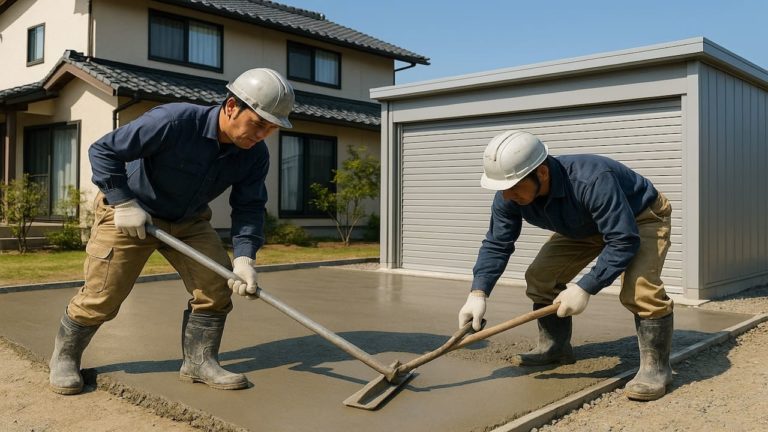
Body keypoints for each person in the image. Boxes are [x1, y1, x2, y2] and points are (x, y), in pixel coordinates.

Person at [48, 68, 295, 395]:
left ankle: (199, 362)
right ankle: (65, 356)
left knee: (217, 287)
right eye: (259, 124)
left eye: (272, 129)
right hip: (131, 213)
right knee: (102, 296)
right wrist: (122, 202)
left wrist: (245, 259)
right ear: (232, 106)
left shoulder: (254, 155)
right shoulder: (174, 122)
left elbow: (249, 206)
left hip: (188, 221)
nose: (263, 134)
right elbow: (104, 150)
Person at [458, 130, 674, 401]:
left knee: (640, 291)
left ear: (542, 173)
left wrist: (586, 287)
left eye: (514, 186)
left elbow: (623, 240)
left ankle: (656, 370)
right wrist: (478, 293)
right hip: (583, 227)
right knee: (541, 277)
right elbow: (497, 243)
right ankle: (555, 348)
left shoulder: (591, 180)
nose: (508, 195)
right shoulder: (508, 196)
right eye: (503, 188)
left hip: (640, 218)